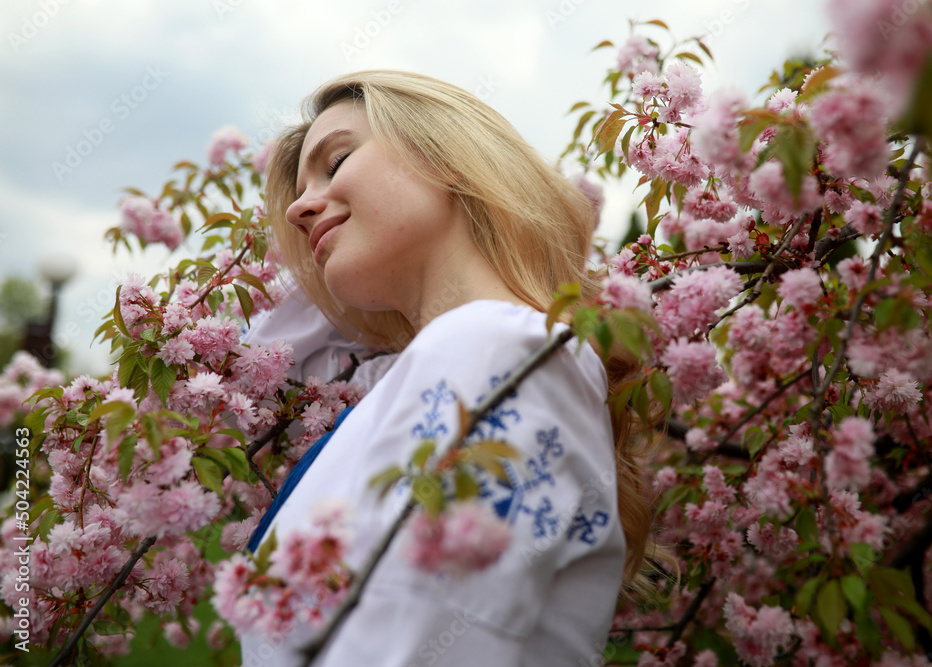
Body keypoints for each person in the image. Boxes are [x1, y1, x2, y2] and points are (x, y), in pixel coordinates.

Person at [243, 70, 651, 666]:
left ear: (446, 159)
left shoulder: (500, 344)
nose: (302, 207)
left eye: (336, 162)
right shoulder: (449, 364)